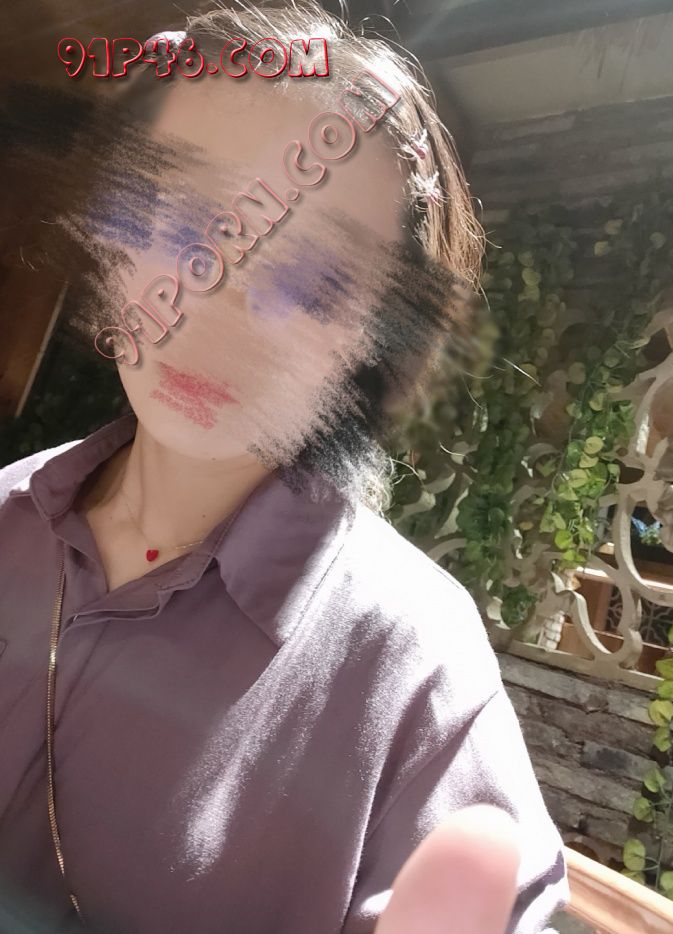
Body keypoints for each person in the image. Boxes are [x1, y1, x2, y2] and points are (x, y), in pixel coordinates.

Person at [0, 2, 569, 932]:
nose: (216, 304)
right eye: (183, 218)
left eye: (316, 280)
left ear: (369, 345)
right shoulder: (8, 510)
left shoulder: (415, 663)